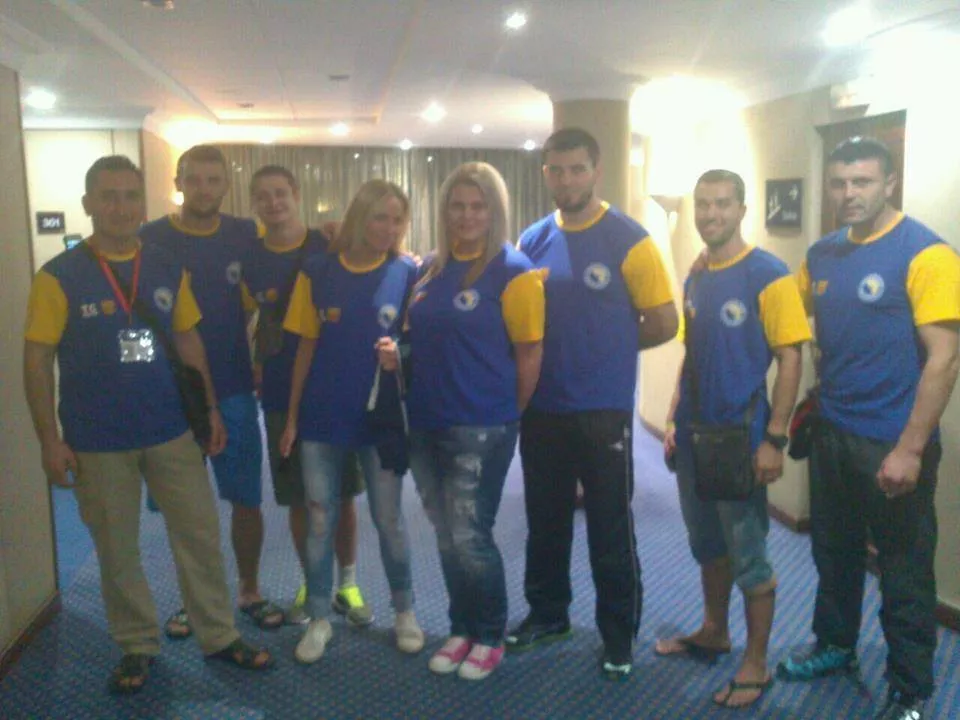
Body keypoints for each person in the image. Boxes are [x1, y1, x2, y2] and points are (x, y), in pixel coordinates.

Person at [22, 155, 273, 695]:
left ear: (143, 203)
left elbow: (187, 338)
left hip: (170, 431)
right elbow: (37, 359)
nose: (120, 207)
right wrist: (49, 440)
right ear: (89, 204)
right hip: (96, 439)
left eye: (130, 196)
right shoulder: (58, 277)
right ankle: (137, 644)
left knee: (199, 536)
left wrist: (208, 410)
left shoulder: (163, 265)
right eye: (108, 196)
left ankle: (218, 634)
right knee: (117, 549)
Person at [776, 137, 960, 720]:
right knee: (834, 552)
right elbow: (782, 310)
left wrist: (910, 449)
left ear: (889, 183)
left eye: (862, 181)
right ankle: (835, 645)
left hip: (893, 442)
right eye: (839, 183)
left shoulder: (928, 254)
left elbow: (945, 359)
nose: (848, 193)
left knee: (903, 570)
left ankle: (910, 690)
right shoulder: (822, 254)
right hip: (832, 432)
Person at [509, 127, 679, 679]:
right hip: (542, 408)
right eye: (556, 170)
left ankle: (617, 634)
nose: (567, 180)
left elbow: (665, 321)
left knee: (610, 526)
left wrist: (611, 346)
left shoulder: (629, 239)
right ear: (546, 174)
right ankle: (548, 613)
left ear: (596, 171)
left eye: (577, 169)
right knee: (545, 521)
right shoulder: (532, 240)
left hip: (603, 410)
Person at [379, 162, 545, 680]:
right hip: (426, 420)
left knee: (472, 536)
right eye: (457, 205)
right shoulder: (430, 268)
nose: (467, 216)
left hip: (482, 425)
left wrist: (507, 414)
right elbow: (416, 336)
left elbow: (530, 353)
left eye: (478, 206)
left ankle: (489, 634)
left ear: (494, 211)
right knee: (447, 534)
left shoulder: (514, 270)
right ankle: (461, 627)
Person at [655, 170, 811, 709]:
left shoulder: (769, 274)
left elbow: (791, 357)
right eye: (703, 204)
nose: (711, 214)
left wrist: (775, 439)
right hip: (694, 437)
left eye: (722, 204)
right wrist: (672, 418)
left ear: (742, 209)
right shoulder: (696, 276)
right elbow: (692, 355)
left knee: (749, 554)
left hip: (740, 439)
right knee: (708, 544)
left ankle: (756, 663)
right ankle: (714, 631)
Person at [139, 144, 284, 636]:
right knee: (184, 510)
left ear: (226, 185)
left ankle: (249, 590)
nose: (203, 189)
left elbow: (285, 259)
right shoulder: (150, 238)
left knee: (246, 500)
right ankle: (194, 599)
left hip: (234, 388)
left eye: (213, 180)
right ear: (178, 183)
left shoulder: (245, 233)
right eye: (194, 179)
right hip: (170, 397)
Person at [280, 179, 423, 664]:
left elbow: (421, 340)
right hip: (323, 415)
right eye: (380, 217)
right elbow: (306, 345)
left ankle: (404, 611)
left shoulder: (408, 272)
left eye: (397, 220)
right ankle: (320, 617)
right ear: (359, 218)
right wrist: (292, 417)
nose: (389, 228)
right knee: (320, 516)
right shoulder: (317, 271)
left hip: (379, 419)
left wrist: (399, 352)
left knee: (389, 519)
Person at [243, 165, 371, 627]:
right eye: (263, 196)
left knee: (344, 492)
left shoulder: (329, 243)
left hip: (335, 387)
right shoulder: (251, 257)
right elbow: (242, 316)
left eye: (280, 192)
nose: (273, 202)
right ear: (254, 203)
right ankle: (311, 581)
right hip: (281, 394)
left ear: (296, 194)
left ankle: (348, 584)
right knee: (299, 497)